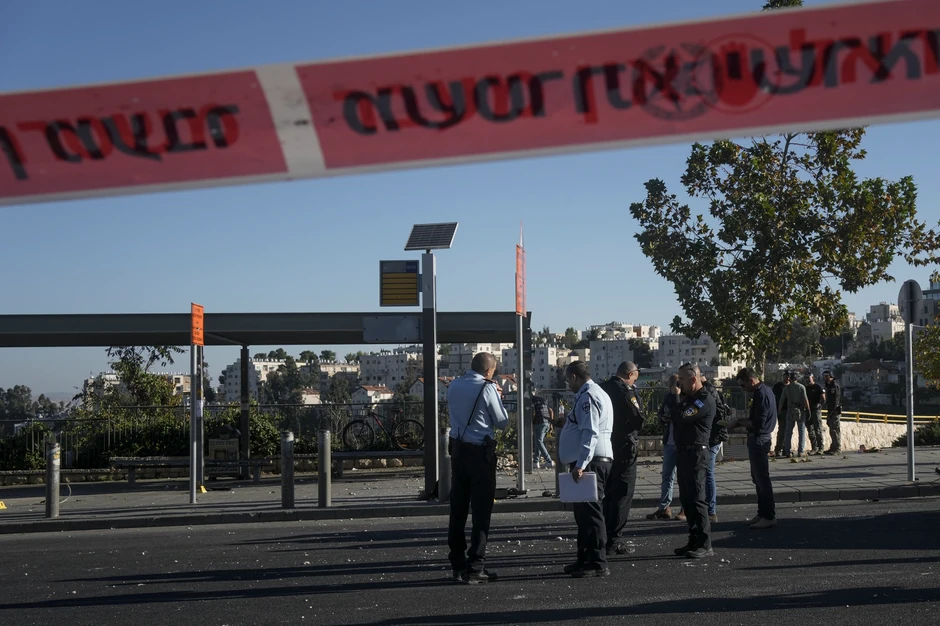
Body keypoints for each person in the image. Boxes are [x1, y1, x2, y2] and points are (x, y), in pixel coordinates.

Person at [446, 352, 509, 584]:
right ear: (489, 371)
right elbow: (502, 422)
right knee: (481, 512)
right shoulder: (488, 388)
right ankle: (475, 566)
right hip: (481, 454)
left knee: (458, 509)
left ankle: (457, 563)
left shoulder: (454, 385)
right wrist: (498, 397)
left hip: (458, 452)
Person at [558, 360, 614, 577]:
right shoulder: (596, 392)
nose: (568, 384)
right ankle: (584, 558)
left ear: (574, 376)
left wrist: (581, 464)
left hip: (590, 461)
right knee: (583, 514)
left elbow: (590, 432)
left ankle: (597, 561)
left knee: (590, 513)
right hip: (594, 459)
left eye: (568, 379)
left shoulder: (587, 397)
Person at [671, 363, 716, 559]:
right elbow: (671, 415)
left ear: (693, 379)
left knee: (698, 500)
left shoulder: (703, 400)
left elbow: (682, 417)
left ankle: (705, 544)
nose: (679, 383)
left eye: (682, 379)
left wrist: (675, 397)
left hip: (697, 453)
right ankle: (694, 539)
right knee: (687, 500)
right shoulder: (689, 399)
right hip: (684, 453)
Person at [599, 361, 644, 555]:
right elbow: (638, 419)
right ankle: (613, 540)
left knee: (608, 494)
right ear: (631, 374)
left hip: (605, 448)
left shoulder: (601, 388)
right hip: (624, 448)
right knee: (622, 494)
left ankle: (602, 537)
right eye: (635, 378)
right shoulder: (626, 391)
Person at [734, 367, 778, 529]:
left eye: (743, 385)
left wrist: (738, 423)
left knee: (762, 479)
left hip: (759, 438)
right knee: (758, 479)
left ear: (751, 381)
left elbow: (758, 423)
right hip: (759, 438)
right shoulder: (764, 391)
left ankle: (768, 516)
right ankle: (762, 513)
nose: (743, 389)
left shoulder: (761, 394)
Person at [647, 374, 681, 520]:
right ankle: (664, 507)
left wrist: (677, 396)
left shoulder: (685, 397)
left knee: (684, 478)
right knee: (667, 475)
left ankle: (685, 509)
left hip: (682, 443)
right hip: (669, 441)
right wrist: (663, 418)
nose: (675, 387)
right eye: (673, 384)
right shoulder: (668, 397)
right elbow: (661, 413)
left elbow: (680, 414)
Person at [702, 376, 729, 523]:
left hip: (712, 439)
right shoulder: (710, 391)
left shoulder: (708, 393)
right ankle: (707, 509)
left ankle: (711, 511)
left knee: (708, 472)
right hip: (712, 438)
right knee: (705, 472)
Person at [779, 371, 810, 457]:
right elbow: (805, 399)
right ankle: (800, 451)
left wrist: (779, 411)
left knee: (788, 432)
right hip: (800, 410)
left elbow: (781, 400)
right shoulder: (801, 387)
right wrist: (808, 410)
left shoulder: (787, 388)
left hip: (790, 410)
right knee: (801, 431)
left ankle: (787, 451)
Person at [530, 388, 555, 469]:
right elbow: (550, 410)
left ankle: (549, 461)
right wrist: (551, 424)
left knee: (538, 441)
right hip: (546, 422)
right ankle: (535, 461)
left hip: (539, 422)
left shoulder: (531, 401)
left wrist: (532, 423)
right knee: (539, 442)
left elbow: (533, 412)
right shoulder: (542, 400)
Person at [805, 374, 825, 455]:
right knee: (810, 430)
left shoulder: (818, 387)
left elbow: (823, 398)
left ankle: (821, 448)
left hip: (816, 410)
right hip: (808, 410)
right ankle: (814, 448)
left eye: (808, 378)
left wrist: (819, 406)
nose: (807, 380)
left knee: (818, 429)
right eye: (806, 378)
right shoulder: (806, 388)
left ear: (812, 378)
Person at [823, 370, 842, 455]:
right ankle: (833, 447)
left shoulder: (834, 386)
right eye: (824, 376)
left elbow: (836, 400)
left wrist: (832, 412)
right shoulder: (828, 386)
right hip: (830, 410)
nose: (825, 378)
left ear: (831, 377)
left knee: (835, 430)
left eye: (827, 376)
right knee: (831, 430)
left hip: (835, 410)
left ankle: (837, 448)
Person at [771, 374, 788, 457]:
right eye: (785, 376)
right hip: (781, 410)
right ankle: (779, 448)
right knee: (782, 430)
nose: (787, 378)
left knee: (788, 431)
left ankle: (786, 448)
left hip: (789, 410)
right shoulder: (778, 386)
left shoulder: (792, 386)